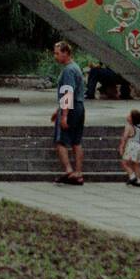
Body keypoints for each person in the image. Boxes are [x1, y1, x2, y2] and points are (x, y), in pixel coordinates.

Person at [50, 41, 86, 186]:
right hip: (79, 107)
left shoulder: (68, 70)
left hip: (70, 108)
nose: (55, 56)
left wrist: (64, 115)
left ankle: (69, 171)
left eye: (57, 53)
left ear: (66, 53)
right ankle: (78, 173)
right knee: (76, 141)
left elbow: (67, 92)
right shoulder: (75, 67)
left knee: (61, 141)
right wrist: (58, 110)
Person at [119, 109, 140, 187]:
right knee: (136, 165)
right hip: (138, 147)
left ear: (131, 119)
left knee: (124, 163)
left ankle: (132, 176)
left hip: (131, 146)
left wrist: (121, 146)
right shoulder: (138, 129)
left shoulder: (128, 126)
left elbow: (125, 137)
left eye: (129, 115)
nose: (127, 116)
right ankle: (139, 180)